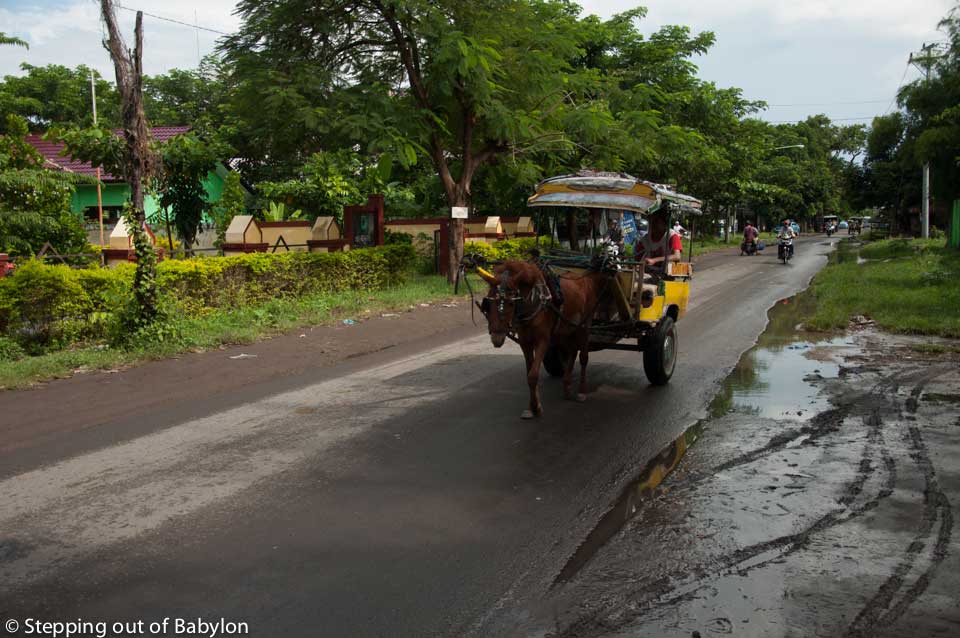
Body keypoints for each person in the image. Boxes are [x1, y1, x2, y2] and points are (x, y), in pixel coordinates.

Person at [636, 208, 683, 274]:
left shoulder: (672, 236)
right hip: (647, 273)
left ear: (664, 223)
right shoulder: (645, 239)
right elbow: (637, 258)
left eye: (656, 221)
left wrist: (654, 260)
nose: (653, 224)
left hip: (665, 275)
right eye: (651, 221)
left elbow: (677, 256)